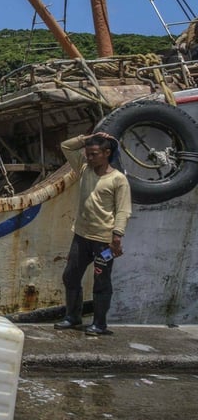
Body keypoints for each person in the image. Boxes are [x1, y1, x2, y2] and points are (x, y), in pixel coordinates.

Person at [54, 132, 131, 336]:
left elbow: (123, 210)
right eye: (87, 154)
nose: (89, 158)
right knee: (70, 276)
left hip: (103, 242)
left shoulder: (118, 180)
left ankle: (99, 323)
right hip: (81, 236)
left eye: (94, 154)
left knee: (101, 280)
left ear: (107, 153)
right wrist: (88, 137)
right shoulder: (84, 168)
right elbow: (66, 146)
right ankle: (73, 316)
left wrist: (117, 237)